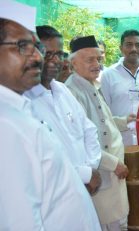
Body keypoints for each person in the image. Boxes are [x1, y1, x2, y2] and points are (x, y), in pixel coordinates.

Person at [0, 1, 100, 230]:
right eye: (22, 46)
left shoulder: (19, 109)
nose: (38, 58)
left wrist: (86, 171)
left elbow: (87, 130)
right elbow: (20, 222)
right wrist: (83, 174)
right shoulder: (5, 125)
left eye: (38, 48)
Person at [25, 25, 102, 194]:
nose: (55, 60)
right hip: (56, 193)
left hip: (86, 187)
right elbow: (41, 159)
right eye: (47, 54)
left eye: (59, 54)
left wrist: (90, 169)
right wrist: (83, 175)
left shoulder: (62, 90)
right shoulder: (24, 101)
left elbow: (89, 130)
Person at [65, 35, 130, 230]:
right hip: (102, 173)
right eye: (90, 60)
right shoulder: (72, 92)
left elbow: (104, 122)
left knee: (119, 218)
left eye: (99, 59)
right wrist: (114, 163)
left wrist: (125, 121)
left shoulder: (90, 84)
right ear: (73, 63)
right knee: (110, 222)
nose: (97, 64)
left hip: (111, 171)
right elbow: (80, 140)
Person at [101, 29, 139, 146]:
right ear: (121, 48)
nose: (134, 49)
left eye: (138, 45)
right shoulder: (109, 75)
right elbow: (103, 111)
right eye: (129, 45)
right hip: (119, 140)